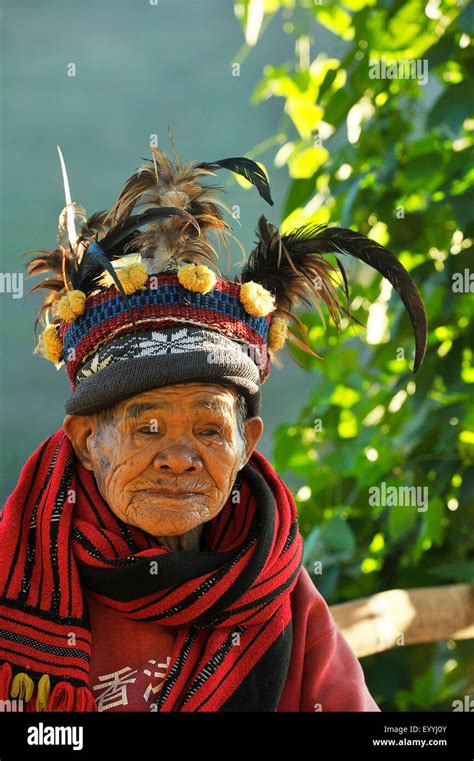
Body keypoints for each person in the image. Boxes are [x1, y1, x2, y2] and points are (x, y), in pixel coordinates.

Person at [0, 135, 427, 712]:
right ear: (84, 441)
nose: (180, 456)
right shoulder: (16, 570)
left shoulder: (276, 585)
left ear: (247, 445)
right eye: (146, 428)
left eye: (209, 430)